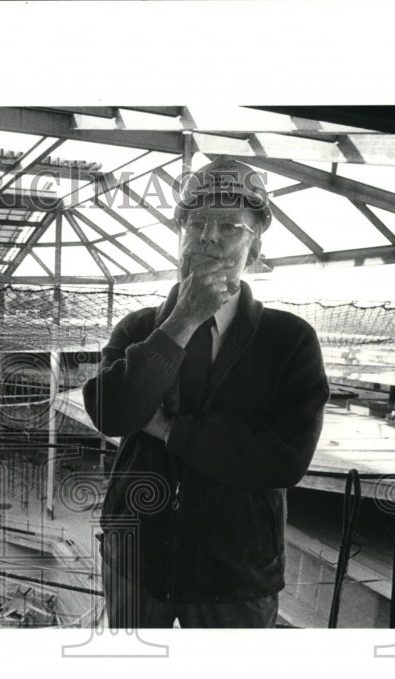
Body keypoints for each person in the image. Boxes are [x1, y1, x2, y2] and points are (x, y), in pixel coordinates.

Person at [82, 156, 329, 628]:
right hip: (136, 560)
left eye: (230, 226)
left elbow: (283, 460)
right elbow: (112, 413)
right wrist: (183, 321)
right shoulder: (138, 328)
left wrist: (167, 430)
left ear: (255, 248)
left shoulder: (289, 341)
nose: (208, 237)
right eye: (195, 224)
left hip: (233, 575)